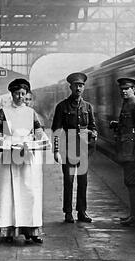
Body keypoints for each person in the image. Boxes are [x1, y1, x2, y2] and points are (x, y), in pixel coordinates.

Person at [0, 78, 48, 244]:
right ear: (12, 94)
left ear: (26, 94)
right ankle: (6, 230)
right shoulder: (4, 111)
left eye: (23, 93)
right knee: (7, 191)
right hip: (9, 152)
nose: (20, 97)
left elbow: (38, 131)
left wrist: (43, 139)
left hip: (28, 155)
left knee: (30, 192)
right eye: (17, 93)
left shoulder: (31, 112)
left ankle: (32, 230)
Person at [51, 72, 98, 223]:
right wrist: (56, 150)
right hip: (68, 148)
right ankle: (68, 212)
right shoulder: (62, 106)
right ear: (70, 87)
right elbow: (56, 130)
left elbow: (93, 126)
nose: (78, 88)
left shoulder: (88, 107)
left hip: (83, 149)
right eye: (76, 85)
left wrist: (93, 133)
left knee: (83, 182)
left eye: (81, 85)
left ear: (84, 87)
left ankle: (82, 212)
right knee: (69, 181)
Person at [109, 78, 135, 227]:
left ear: (134, 89)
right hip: (127, 150)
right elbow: (129, 125)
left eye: (127, 89)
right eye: (122, 89)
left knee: (132, 183)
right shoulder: (127, 104)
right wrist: (118, 125)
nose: (124, 91)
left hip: (133, 152)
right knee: (130, 182)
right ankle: (134, 215)